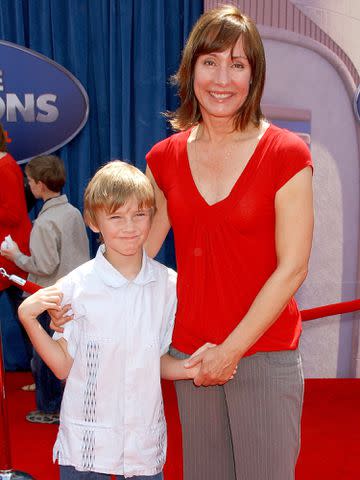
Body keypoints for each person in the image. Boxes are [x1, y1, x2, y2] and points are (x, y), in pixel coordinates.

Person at [144, 5, 314, 480]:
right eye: (211, 61)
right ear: (190, 69)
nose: (223, 78)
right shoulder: (164, 158)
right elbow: (136, 258)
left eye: (238, 64)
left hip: (264, 351)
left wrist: (231, 351)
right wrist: (74, 301)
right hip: (190, 358)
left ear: (254, 76)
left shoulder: (286, 153)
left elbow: (293, 267)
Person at [18, 160, 206, 480]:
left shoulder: (168, 286)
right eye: (115, 217)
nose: (129, 227)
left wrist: (196, 367)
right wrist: (28, 318)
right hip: (87, 443)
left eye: (139, 214)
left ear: (152, 216)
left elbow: (156, 359)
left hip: (141, 442)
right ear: (94, 222)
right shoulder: (75, 287)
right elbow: (63, 365)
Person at [1, 154, 90, 423]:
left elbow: (43, 265)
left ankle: (50, 408)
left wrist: (15, 255)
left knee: (45, 357)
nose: (27, 186)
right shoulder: (73, 211)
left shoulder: (44, 223)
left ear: (40, 185)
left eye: (28, 181)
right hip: (75, 295)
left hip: (49, 296)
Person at [0, 123, 32, 364]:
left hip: (12, 257)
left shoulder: (5, 166)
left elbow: (14, 214)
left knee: (27, 319)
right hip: (7, 255)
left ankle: (45, 380)